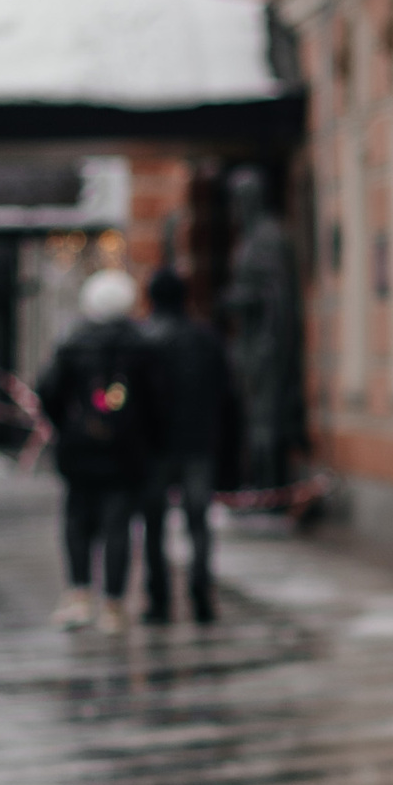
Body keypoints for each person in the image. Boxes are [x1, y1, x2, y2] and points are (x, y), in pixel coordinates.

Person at [35, 268, 160, 628]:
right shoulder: (141, 345)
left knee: (77, 522)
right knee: (118, 525)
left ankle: (79, 592)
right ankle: (114, 603)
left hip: (79, 451)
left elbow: (48, 391)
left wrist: (67, 428)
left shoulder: (72, 343)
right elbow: (155, 400)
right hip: (125, 452)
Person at [140, 264, 238, 624]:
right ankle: (200, 589)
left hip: (156, 448)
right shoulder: (207, 339)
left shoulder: (145, 340)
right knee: (198, 522)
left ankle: (159, 598)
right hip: (199, 444)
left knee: (154, 526)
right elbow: (228, 396)